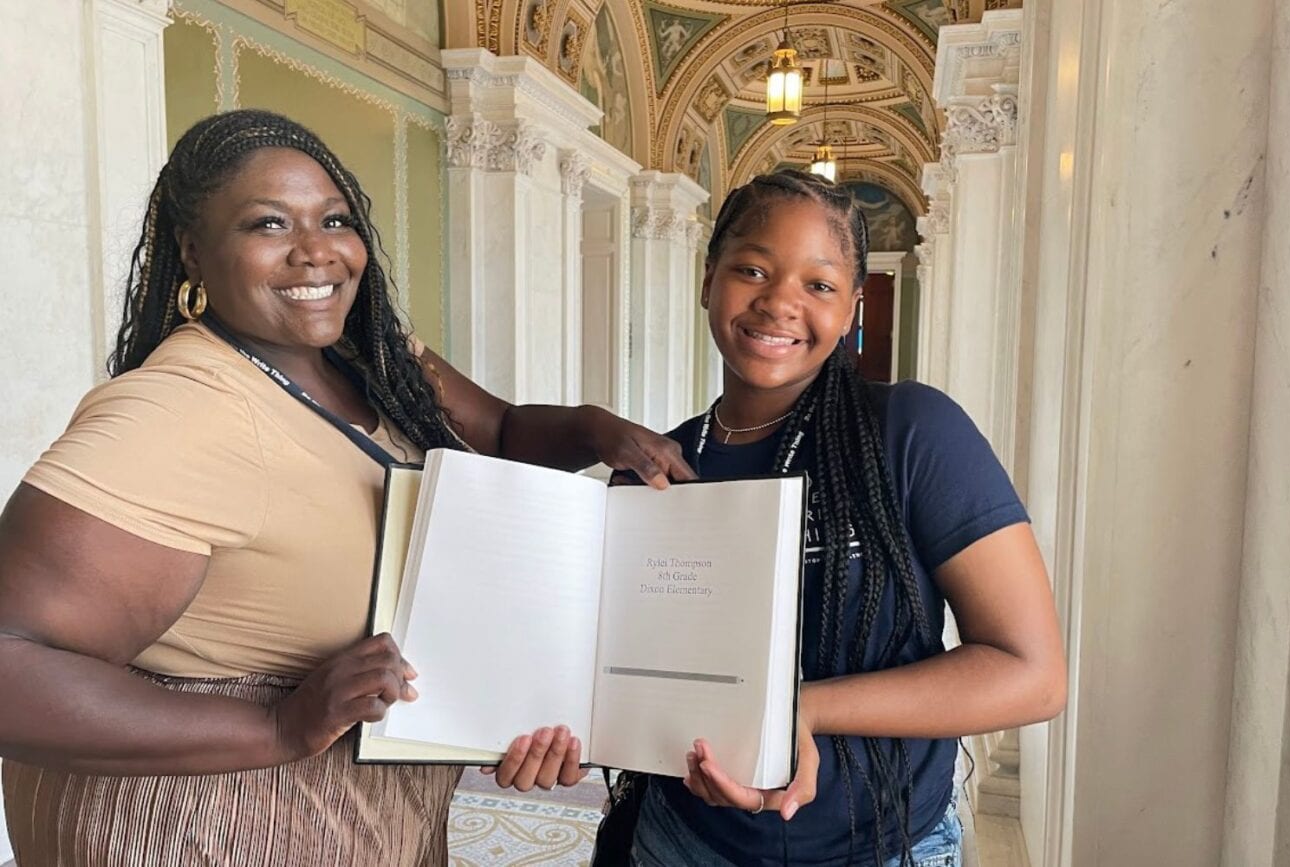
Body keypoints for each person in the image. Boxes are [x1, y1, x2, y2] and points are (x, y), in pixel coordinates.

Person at [0, 109, 693, 866]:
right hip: (204, 823)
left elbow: (497, 433)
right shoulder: (181, 409)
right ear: (193, 253)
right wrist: (276, 726)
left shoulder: (376, 360)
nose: (316, 251)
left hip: (358, 815)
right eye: (269, 224)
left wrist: (597, 430)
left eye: (334, 219)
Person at [579, 170, 1067, 866]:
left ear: (851, 308)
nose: (779, 302)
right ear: (707, 277)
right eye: (752, 268)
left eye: (819, 284)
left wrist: (802, 707)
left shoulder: (910, 432)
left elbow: (1033, 673)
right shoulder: (657, 469)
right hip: (680, 843)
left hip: (885, 846)